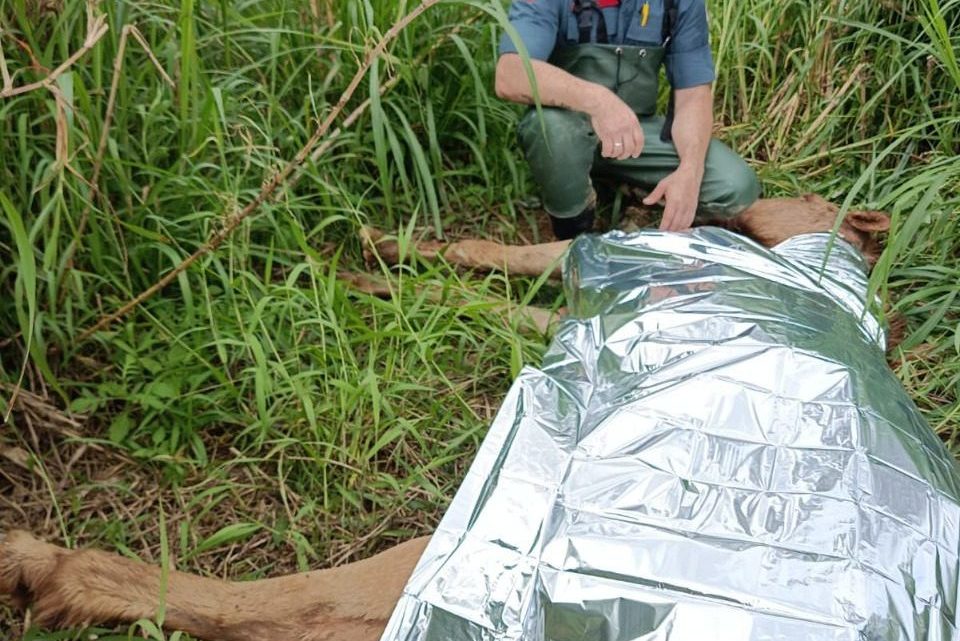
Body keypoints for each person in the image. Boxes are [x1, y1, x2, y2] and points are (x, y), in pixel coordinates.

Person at [494, 0, 761, 239]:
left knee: (735, 185)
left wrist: (690, 170)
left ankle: (634, 195)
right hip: (569, 127)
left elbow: (692, 95)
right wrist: (598, 101)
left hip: (637, 135)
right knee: (553, 129)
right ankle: (573, 231)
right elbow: (510, 74)